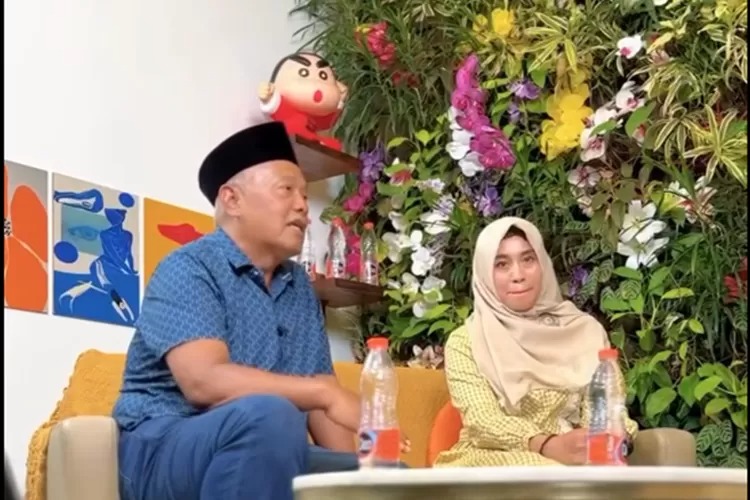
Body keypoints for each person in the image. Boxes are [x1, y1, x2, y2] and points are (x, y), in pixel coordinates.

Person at [112, 121, 363, 500]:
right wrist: (324, 394)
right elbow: (204, 382)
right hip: (160, 446)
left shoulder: (298, 286)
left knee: (390, 479)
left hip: (265, 445)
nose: (303, 206)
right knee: (270, 415)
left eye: (304, 194)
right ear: (232, 200)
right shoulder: (189, 267)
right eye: (286, 190)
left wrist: (360, 474)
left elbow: (322, 403)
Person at [434, 217, 638, 467]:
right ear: (484, 273)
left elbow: (605, 408)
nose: (518, 275)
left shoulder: (585, 331)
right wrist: (546, 445)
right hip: (490, 458)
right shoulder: (467, 341)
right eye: (501, 264)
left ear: (542, 264)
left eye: (528, 259)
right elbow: (482, 420)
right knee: (546, 472)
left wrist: (611, 439)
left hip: (573, 459)